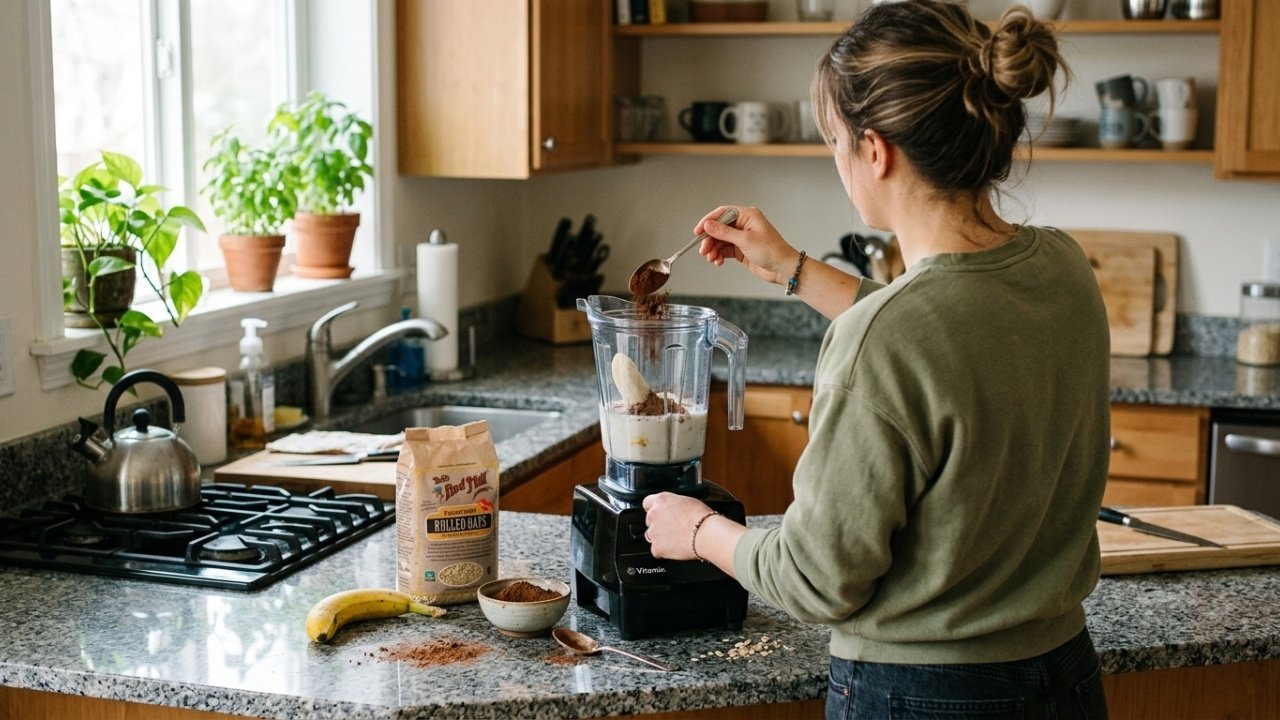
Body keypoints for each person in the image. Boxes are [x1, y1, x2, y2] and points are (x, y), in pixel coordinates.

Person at [640, 1, 1112, 717]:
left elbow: (816, 579)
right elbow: (945, 334)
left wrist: (699, 531)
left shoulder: (883, 341)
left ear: (875, 150)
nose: (837, 161)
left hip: (926, 694)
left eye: (834, 141)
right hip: (1065, 677)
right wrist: (792, 267)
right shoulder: (1062, 267)